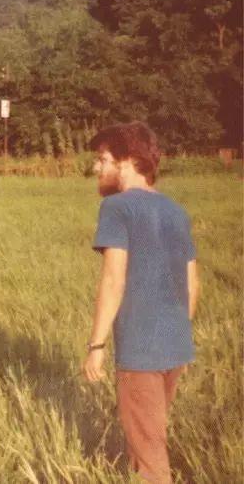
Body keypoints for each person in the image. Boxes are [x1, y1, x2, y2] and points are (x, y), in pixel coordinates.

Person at [82, 122, 199, 484]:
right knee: (150, 438)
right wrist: (176, 331)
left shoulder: (117, 207)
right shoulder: (175, 210)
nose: (96, 168)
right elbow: (192, 282)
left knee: (150, 460)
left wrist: (96, 346)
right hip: (175, 347)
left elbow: (114, 280)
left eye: (103, 159)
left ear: (129, 161)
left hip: (140, 351)